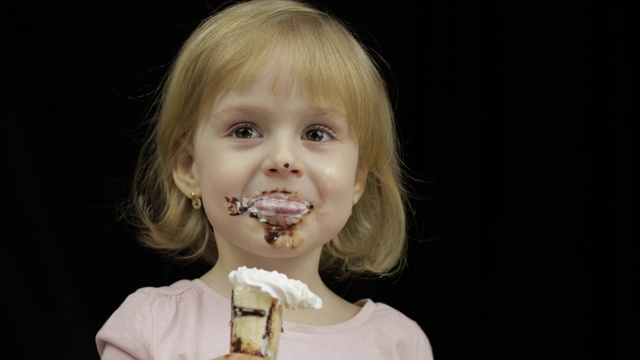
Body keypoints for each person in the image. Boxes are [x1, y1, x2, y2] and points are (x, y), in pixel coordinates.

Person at [95, 0, 434, 359]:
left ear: (356, 181)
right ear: (188, 167)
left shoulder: (398, 345)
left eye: (316, 134)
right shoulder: (151, 327)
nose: (283, 160)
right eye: (245, 130)